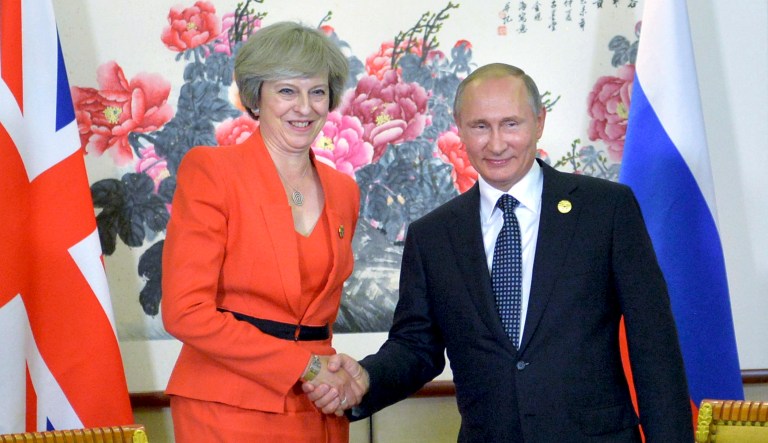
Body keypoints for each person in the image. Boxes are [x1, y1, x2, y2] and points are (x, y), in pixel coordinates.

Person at [305, 63, 694, 442]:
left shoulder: (606, 210)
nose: (495, 143)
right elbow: (416, 347)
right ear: (460, 130)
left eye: (511, 124)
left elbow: (654, 347)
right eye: (480, 126)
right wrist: (367, 377)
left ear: (538, 122)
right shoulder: (434, 236)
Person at [161, 21, 363, 442]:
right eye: (287, 91)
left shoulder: (343, 190)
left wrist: (329, 375)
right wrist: (302, 365)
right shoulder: (213, 172)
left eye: (317, 92)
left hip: (319, 404)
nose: (304, 107)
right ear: (256, 96)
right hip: (227, 406)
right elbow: (185, 312)